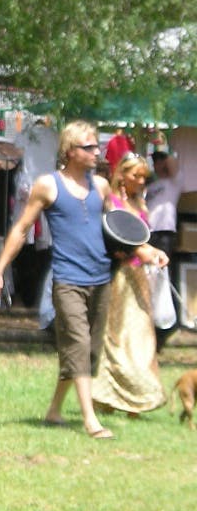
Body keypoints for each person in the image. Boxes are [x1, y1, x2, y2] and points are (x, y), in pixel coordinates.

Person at [0, 121, 167, 439]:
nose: (97, 152)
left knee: (90, 352)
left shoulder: (101, 187)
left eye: (97, 146)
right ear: (70, 151)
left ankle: (55, 410)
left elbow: (119, 229)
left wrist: (147, 251)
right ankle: (90, 421)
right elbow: (20, 229)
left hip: (101, 278)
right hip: (67, 278)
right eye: (90, 147)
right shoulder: (48, 185)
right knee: (79, 346)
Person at [91, 153, 165, 417]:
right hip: (118, 277)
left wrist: (155, 252)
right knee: (115, 336)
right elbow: (113, 238)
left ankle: (139, 399)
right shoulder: (109, 202)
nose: (141, 181)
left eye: (144, 177)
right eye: (136, 176)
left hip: (138, 278)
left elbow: (142, 242)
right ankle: (108, 397)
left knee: (142, 337)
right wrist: (133, 251)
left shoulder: (141, 204)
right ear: (122, 175)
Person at [146, 142, 182, 347]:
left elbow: (173, 162)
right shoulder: (150, 185)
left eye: (161, 160)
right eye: (155, 160)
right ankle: (154, 322)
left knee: (162, 276)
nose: (159, 163)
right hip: (149, 233)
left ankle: (166, 325)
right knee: (150, 279)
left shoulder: (174, 181)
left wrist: (162, 142)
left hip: (165, 232)